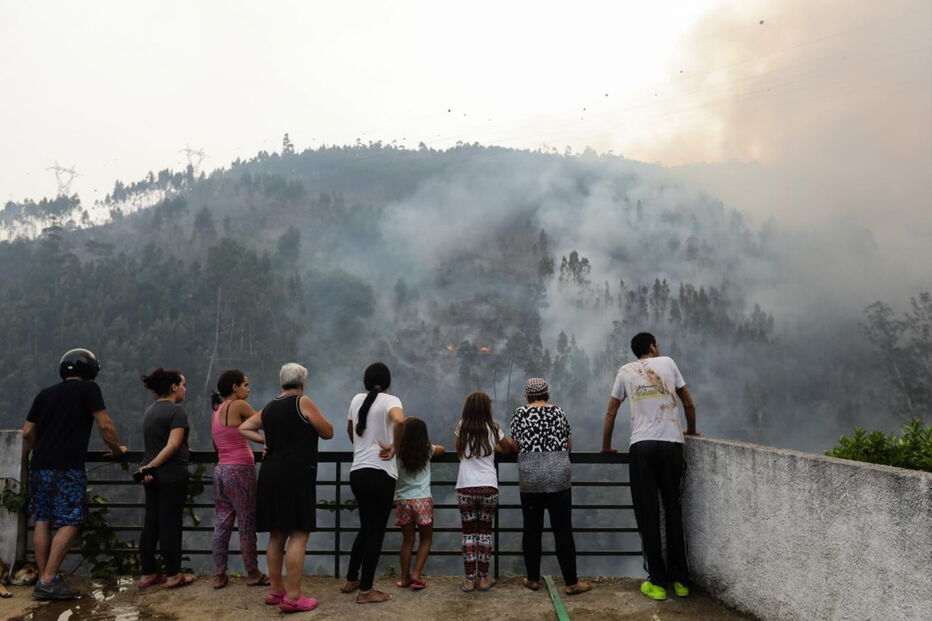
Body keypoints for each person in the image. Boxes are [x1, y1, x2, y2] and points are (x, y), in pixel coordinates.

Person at [21, 348, 127, 600]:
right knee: (71, 519)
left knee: (43, 519)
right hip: (67, 466)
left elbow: (26, 432)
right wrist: (116, 449)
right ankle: (48, 579)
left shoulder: (45, 394)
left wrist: (42, 449)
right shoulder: (89, 390)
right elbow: (105, 424)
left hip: (40, 465)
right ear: (90, 370)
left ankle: (45, 577)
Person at [601, 332, 698, 602]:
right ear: (653, 347)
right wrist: (690, 430)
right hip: (671, 445)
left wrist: (606, 445)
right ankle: (681, 581)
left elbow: (611, 412)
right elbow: (688, 401)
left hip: (641, 447)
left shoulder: (625, 371)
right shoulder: (668, 363)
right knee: (673, 510)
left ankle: (656, 583)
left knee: (649, 514)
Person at [240, 362, 334, 613]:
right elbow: (327, 432)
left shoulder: (270, 407)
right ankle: (293, 597)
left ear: (282, 382)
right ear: (302, 383)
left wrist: (265, 439)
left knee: (276, 533)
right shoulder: (301, 402)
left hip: (270, 473)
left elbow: (244, 427)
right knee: (299, 532)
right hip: (296, 474)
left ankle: (276, 590)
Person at [509, 378, 590, 596]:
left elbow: (515, 445)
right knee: (563, 530)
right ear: (547, 394)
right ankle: (571, 583)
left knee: (532, 530)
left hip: (531, 478)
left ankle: (533, 579)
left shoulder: (519, 414)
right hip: (558, 477)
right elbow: (569, 444)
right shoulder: (559, 412)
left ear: (527, 396)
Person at [341, 362, 404, 604]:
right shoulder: (391, 401)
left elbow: (350, 430)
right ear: (388, 382)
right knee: (376, 531)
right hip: (381, 473)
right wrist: (394, 446)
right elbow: (400, 421)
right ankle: (366, 590)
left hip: (358, 471)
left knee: (366, 527)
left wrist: (361, 448)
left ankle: (351, 579)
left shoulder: (357, 400)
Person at [136, 368, 196, 590]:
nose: (185, 389)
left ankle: (148, 573)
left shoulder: (150, 411)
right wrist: (154, 464)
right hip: (170, 474)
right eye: (183, 384)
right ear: (173, 387)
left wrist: (149, 467)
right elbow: (172, 445)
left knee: (151, 523)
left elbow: (161, 442)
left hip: (151, 476)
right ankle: (173, 575)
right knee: (170, 524)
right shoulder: (175, 411)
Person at [209, 369, 268, 589]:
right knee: (246, 523)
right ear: (235, 387)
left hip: (221, 470)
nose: (248, 389)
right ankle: (252, 572)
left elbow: (217, 445)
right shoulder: (239, 406)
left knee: (222, 523)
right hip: (240, 469)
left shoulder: (215, 412)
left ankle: (219, 574)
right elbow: (262, 421)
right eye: (245, 385)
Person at [454, 391, 509, 593]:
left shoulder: (462, 427)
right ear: (487, 408)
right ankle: (484, 579)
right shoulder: (493, 428)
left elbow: (459, 449)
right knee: (484, 533)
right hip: (488, 485)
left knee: (469, 533)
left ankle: (469, 580)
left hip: (466, 485)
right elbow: (508, 447)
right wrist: (495, 448)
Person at [392, 417, 444, 591]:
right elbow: (442, 450)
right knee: (426, 538)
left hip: (402, 500)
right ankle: (417, 575)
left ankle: (404, 577)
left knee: (407, 540)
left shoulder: (397, 451)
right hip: (422, 499)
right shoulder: (427, 450)